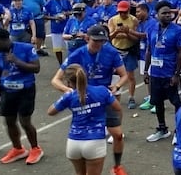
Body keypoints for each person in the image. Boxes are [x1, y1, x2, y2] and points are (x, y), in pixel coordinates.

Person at [51, 24, 129, 175]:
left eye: (102, 41)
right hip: (86, 100)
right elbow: (56, 80)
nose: (99, 44)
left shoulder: (111, 52)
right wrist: (70, 91)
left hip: (104, 97)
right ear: (87, 38)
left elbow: (124, 75)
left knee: (118, 135)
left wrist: (117, 85)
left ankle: (117, 166)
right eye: (96, 41)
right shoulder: (77, 54)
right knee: (86, 139)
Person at [0, 27, 44, 165]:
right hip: (7, 90)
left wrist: (16, 61)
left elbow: (36, 68)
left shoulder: (26, 48)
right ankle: (18, 149)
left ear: (4, 40)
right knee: (9, 121)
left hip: (26, 89)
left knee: (25, 121)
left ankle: (35, 148)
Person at [48, 64, 120, 175]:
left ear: (68, 82)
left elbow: (50, 112)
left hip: (74, 142)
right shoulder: (102, 91)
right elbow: (117, 108)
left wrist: (66, 95)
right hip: (95, 141)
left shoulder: (69, 96)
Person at [144, 1, 181, 142]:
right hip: (155, 74)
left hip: (170, 74)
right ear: (157, 15)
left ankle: (179, 131)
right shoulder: (151, 29)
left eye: (169, 13)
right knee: (157, 102)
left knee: (177, 104)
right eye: (164, 13)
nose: (168, 15)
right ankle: (162, 129)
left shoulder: (177, 30)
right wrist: (146, 71)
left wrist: (176, 73)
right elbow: (149, 50)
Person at [108, 0, 140, 109]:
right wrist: (116, 32)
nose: (122, 14)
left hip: (129, 49)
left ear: (129, 11)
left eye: (124, 12)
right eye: (120, 12)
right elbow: (109, 37)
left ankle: (131, 97)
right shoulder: (113, 20)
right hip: (116, 50)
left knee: (130, 75)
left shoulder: (134, 20)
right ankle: (115, 97)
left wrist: (127, 33)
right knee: (115, 76)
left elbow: (136, 39)